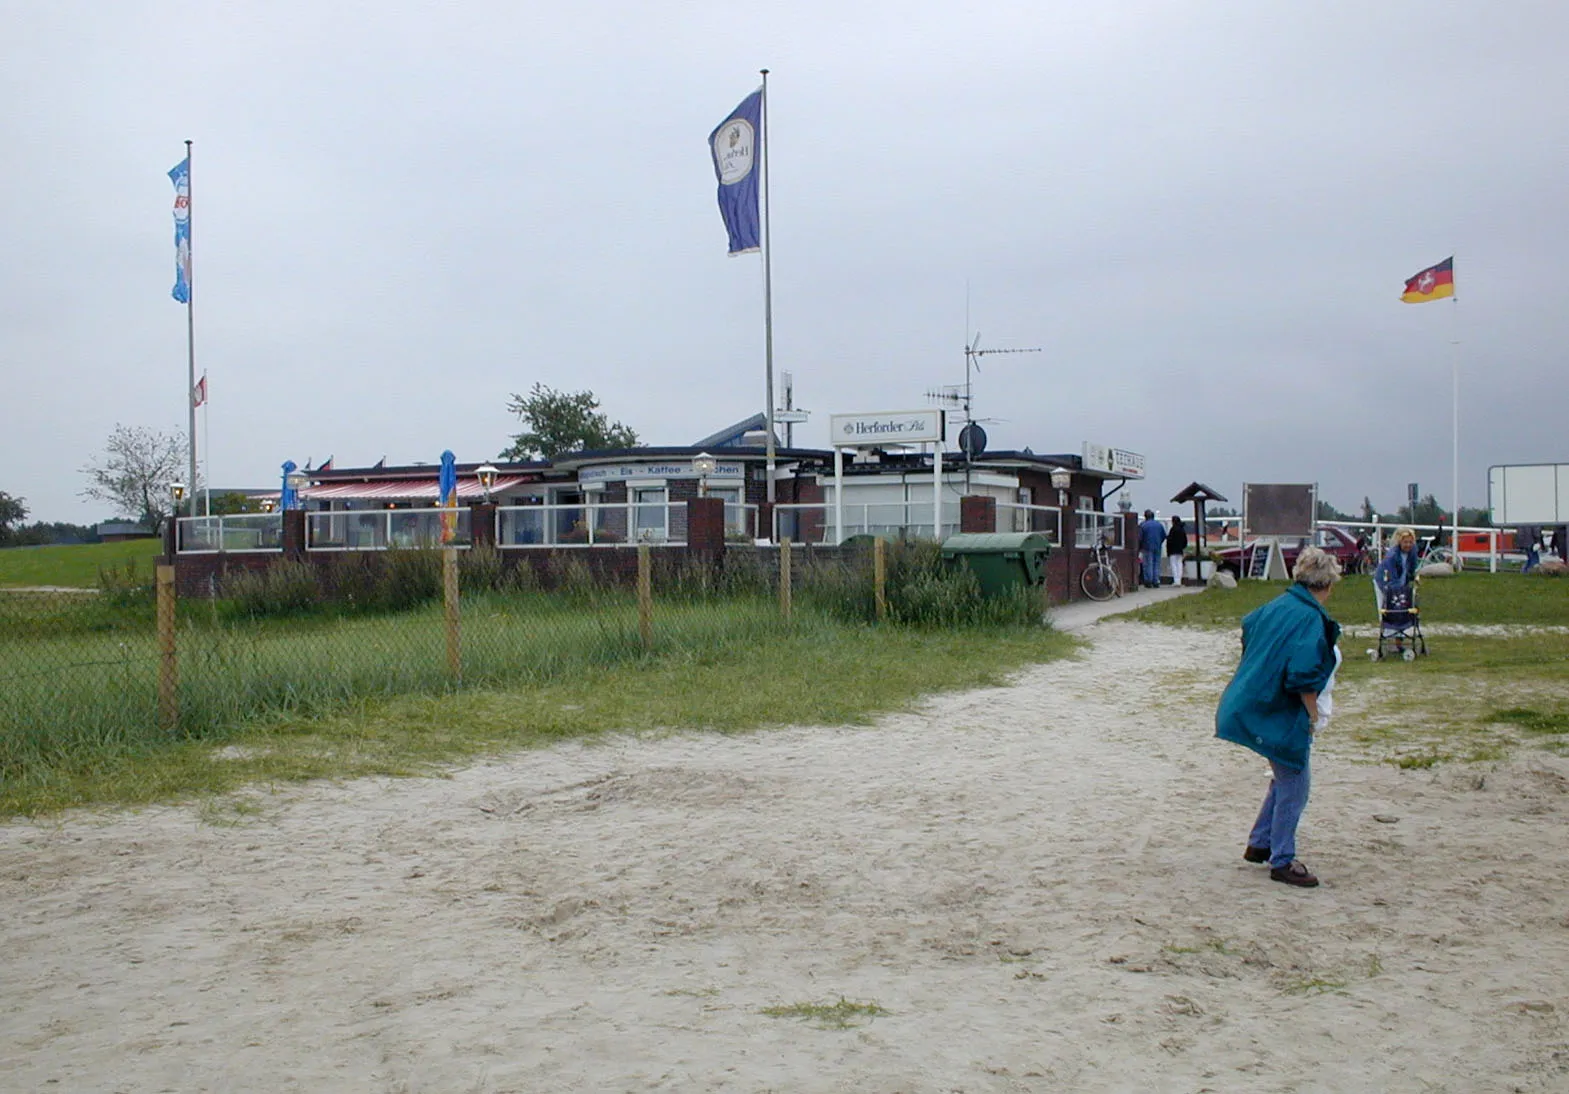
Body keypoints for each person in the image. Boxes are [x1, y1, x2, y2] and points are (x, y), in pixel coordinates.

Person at [1215, 546, 1343, 888]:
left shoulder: (1275, 607)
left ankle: (1260, 842)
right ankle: (1282, 859)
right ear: (1328, 584)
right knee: (1296, 780)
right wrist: (1313, 714)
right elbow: (1303, 675)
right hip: (1275, 709)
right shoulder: (1310, 618)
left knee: (1284, 773)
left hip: (1249, 700)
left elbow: (1249, 624)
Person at [1373, 526, 1419, 612]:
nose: (1408, 545)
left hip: (1400, 580)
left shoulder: (1413, 551)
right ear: (1399, 542)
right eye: (1405, 542)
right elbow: (1392, 579)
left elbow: (1412, 569)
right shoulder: (1392, 556)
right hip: (1384, 580)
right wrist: (1399, 592)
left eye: (1410, 542)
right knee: (1387, 609)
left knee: (1401, 607)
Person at [1137, 509, 1166, 589]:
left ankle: (1148, 581)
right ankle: (1156, 581)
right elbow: (1163, 536)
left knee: (1147, 564)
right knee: (1156, 564)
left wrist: (1140, 547)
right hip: (1157, 546)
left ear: (1145, 516)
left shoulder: (1143, 525)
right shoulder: (1159, 525)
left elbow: (1140, 538)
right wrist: (1159, 542)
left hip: (1146, 547)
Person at [1166, 515, 1188, 586]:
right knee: (1179, 565)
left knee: (1174, 565)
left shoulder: (1173, 529)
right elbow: (1185, 541)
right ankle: (1179, 580)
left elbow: (1169, 541)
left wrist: (1168, 550)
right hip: (1180, 550)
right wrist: (1182, 547)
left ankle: (1176, 580)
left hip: (1172, 550)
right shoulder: (1182, 529)